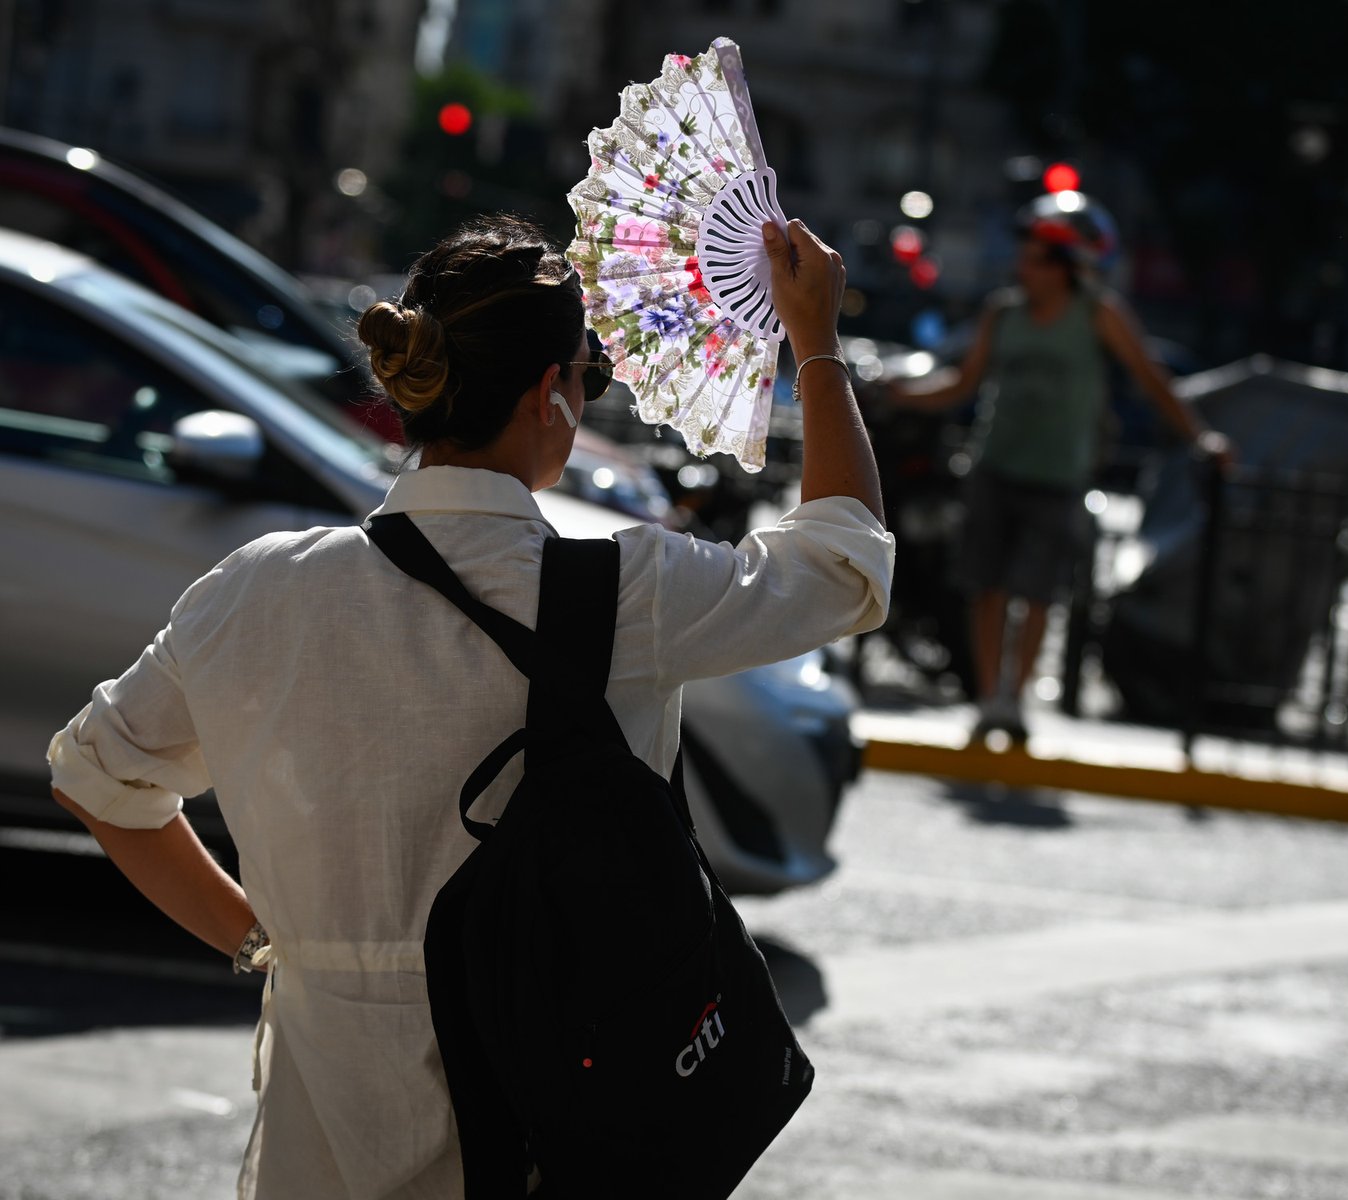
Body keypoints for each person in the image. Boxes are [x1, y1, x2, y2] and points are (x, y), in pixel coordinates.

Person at [46, 213, 891, 1198]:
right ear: (550, 395)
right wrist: (816, 339)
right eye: (589, 376)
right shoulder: (619, 590)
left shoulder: (254, 590)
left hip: (315, 1147)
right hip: (543, 1133)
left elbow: (97, 784)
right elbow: (843, 564)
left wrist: (258, 937)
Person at [891, 194, 1228, 739]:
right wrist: (900, 395)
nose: (1023, 266)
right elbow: (961, 384)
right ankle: (987, 700)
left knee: (1038, 594)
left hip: (1059, 475)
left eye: (1036, 257)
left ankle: (1013, 700)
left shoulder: (1099, 314)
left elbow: (1151, 380)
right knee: (987, 588)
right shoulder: (1003, 312)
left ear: (1068, 266)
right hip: (995, 466)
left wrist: (1201, 436)